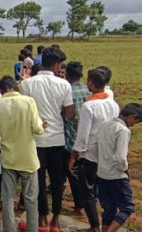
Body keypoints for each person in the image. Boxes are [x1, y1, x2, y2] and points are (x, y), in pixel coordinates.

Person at [20, 46, 74, 230]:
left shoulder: (27, 84)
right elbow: (68, 114)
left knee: (39, 180)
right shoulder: (64, 84)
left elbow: (25, 111)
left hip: (35, 139)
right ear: (57, 65)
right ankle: (56, 219)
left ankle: (42, 217)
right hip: (56, 139)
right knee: (57, 180)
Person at [0, 75, 44, 232]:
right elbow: (38, 129)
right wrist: (41, 125)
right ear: (16, 87)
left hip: (8, 158)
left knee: (7, 199)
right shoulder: (28, 102)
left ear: (1, 91)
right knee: (31, 200)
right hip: (28, 158)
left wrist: (0, 146)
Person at [69, 67, 119, 232]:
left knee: (88, 193)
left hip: (89, 154)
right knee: (103, 191)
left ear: (92, 82)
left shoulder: (89, 106)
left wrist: (74, 155)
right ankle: (105, 224)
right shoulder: (113, 104)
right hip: (106, 153)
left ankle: (94, 226)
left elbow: (82, 136)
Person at [96, 103, 142, 232]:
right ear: (132, 117)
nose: (133, 125)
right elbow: (121, 157)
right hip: (116, 175)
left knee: (109, 208)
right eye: (135, 122)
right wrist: (126, 170)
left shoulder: (105, 125)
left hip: (102, 173)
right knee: (127, 207)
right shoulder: (123, 130)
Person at [63, 61, 88, 216]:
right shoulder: (88, 90)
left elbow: (65, 114)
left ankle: (80, 206)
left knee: (71, 174)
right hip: (85, 141)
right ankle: (84, 204)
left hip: (69, 139)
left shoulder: (67, 91)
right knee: (83, 174)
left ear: (67, 74)